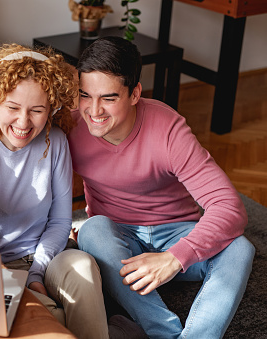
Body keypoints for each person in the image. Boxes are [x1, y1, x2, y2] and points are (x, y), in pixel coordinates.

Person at [0, 43, 145, 339]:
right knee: (56, 317)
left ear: (52, 109)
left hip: (49, 254)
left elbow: (62, 222)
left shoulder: (56, 142)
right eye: (12, 108)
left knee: (83, 266)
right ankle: (117, 332)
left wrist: (37, 272)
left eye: (36, 111)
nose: (23, 123)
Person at [68, 36, 256, 339]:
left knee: (240, 247)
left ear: (134, 94)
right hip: (119, 240)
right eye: (85, 95)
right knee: (92, 230)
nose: (94, 110)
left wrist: (175, 257)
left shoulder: (168, 129)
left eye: (109, 98)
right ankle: (163, 331)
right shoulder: (72, 128)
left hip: (176, 232)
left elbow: (229, 207)